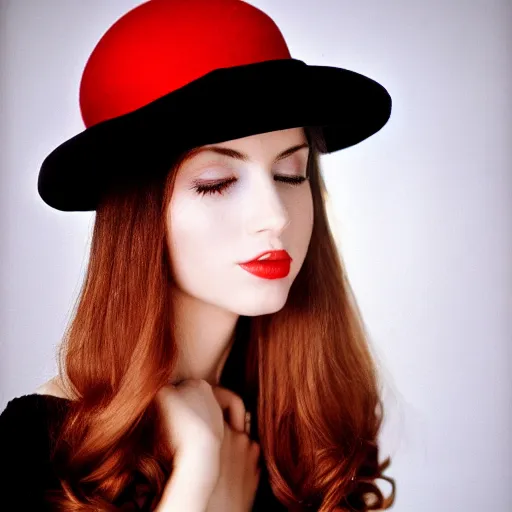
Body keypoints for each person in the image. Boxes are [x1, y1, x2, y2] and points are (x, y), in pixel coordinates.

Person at [0, 0, 396, 510]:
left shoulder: (310, 428)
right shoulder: (45, 453)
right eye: (217, 183)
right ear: (140, 218)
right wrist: (197, 479)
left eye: (290, 174)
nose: (274, 214)